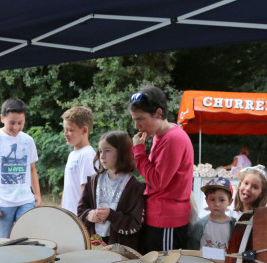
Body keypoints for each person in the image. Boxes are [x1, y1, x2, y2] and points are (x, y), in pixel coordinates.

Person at [128, 86, 194, 253]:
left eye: (141, 119)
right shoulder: (161, 134)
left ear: (158, 113)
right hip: (159, 216)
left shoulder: (172, 139)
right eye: (134, 119)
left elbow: (157, 181)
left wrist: (139, 151)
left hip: (167, 220)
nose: (137, 126)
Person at [0, 98, 42, 238]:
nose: (16, 127)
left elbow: (32, 169)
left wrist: (37, 194)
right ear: (2, 118)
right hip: (2, 203)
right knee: (3, 242)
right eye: (12, 122)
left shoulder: (28, 140)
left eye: (20, 123)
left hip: (26, 201)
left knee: (26, 239)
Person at [77, 130, 144, 249]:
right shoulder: (93, 181)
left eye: (107, 151)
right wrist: (89, 215)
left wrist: (111, 215)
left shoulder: (133, 187)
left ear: (122, 152)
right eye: (100, 151)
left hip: (119, 249)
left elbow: (135, 223)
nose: (102, 156)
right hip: (93, 245)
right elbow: (81, 210)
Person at [61, 106, 96, 215]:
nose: (65, 133)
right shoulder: (72, 154)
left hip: (79, 217)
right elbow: (67, 188)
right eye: (64, 129)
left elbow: (87, 191)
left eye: (70, 130)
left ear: (84, 130)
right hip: (68, 216)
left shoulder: (87, 155)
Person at [187, 177, 236, 251]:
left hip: (226, 262)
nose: (216, 204)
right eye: (212, 199)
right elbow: (192, 248)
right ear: (206, 200)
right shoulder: (201, 225)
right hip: (205, 262)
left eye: (222, 200)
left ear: (230, 201)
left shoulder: (233, 224)